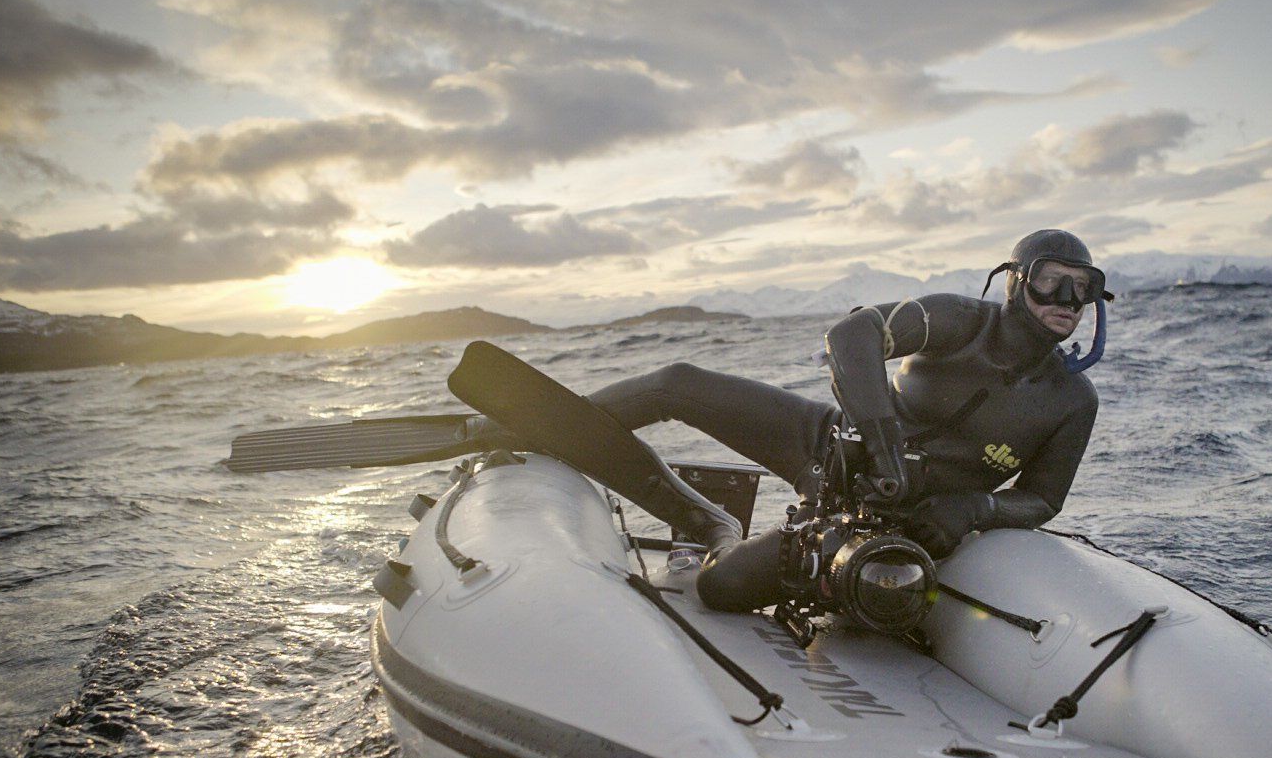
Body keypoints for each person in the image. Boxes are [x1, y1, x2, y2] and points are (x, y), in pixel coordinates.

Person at [471, 229, 1109, 612]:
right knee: (678, 383)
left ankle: (712, 525)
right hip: (831, 444)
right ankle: (531, 432)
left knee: (719, 591)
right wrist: (883, 445)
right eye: (1054, 283)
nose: (1069, 303)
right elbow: (852, 335)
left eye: (1084, 288)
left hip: (891, 521)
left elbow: (1042, 499)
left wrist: (976, 509)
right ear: (1014, 283)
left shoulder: (1071, 402)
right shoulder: (953, 320)